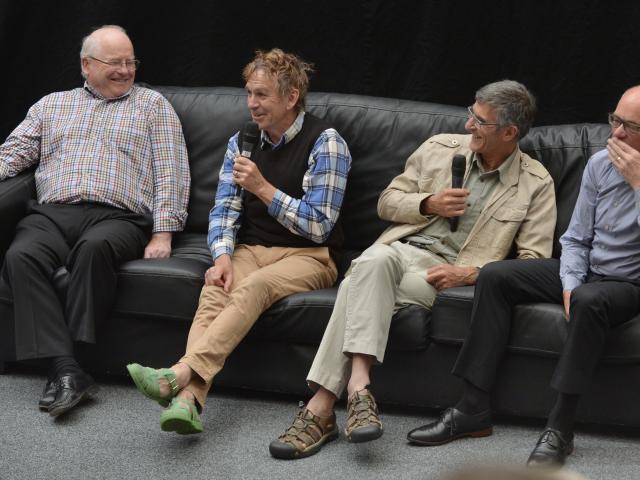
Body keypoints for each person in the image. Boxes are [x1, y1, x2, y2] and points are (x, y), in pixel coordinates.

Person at [269, 80, 557, 459]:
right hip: (398, 252)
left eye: (480, 121)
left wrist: (471, 274)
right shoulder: (440, 148)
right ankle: (357, 388)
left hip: (443, 276)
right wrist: (428, 203)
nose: (469, 124)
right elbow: (387, 203)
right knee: (373, 262)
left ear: (509, 132)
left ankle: (320, 410)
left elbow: (533, 263)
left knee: (361, 277)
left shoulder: (535, 183)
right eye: (471, 113)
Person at [406, 86, 640, 468]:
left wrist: (638, 184)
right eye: (615, 121)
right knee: (497, 276)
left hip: (630, 284)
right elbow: (576, 238)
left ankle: (560, 428)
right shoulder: (599, 165)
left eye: (629, 127)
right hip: (589, 272)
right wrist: (569, 282)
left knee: (589, 299)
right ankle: (473, 409)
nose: (615, 134)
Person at [127, 48, 352, 435]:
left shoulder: (326, 143)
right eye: (249, 93)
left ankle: (179, 373)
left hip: (311, 256)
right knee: (215, 289)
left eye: (262, 95)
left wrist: (264, 188)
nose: (252, 104)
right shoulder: (243, 141)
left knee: (255, 288)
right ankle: (187, 401)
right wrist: (222, 255)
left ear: (291, 96)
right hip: (252, 249)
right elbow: (224, 209)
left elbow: (319, 226)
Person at [0, 25, 190, 417]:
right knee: (21, 256)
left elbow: (172, 170)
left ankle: (64, 367)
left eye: (130, 62)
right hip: (52, 213)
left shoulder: (152, 106)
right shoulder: (50, 106)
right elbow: (13, 155)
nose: (125, 70)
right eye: (115, 62)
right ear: (87, 65)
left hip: (118, 216)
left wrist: (163, 232)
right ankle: (69, 370)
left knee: (93, 249)